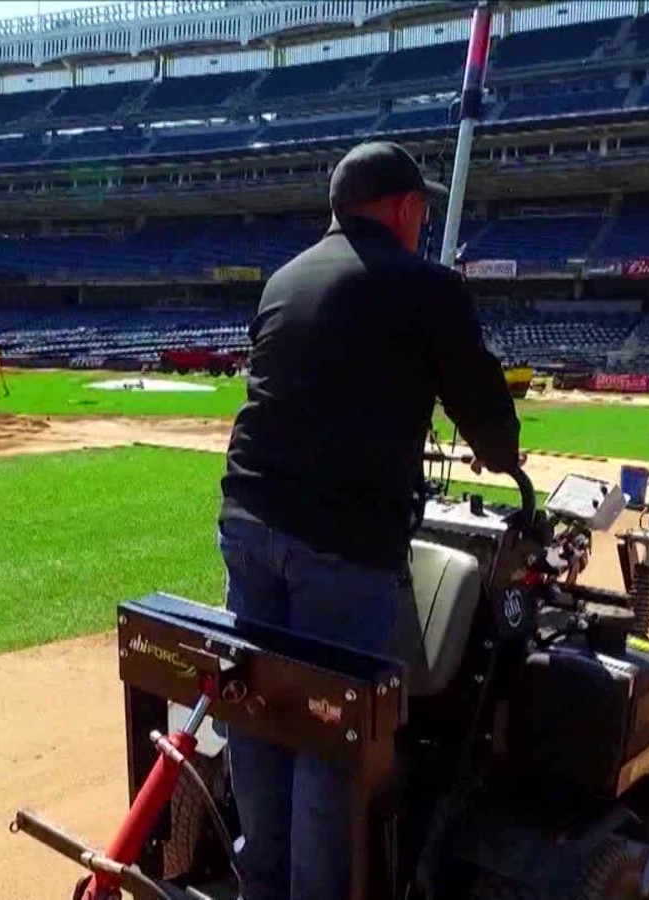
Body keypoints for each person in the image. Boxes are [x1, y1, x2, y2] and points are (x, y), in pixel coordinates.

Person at [218, 141, 522, 900]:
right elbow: (485, 413)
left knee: (256, 711)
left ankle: (264, 884)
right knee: (333, 733)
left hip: (249, 521)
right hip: (342, 546)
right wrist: (502, 454)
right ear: (408, 209)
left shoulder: (285, 279)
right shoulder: (426, 286)